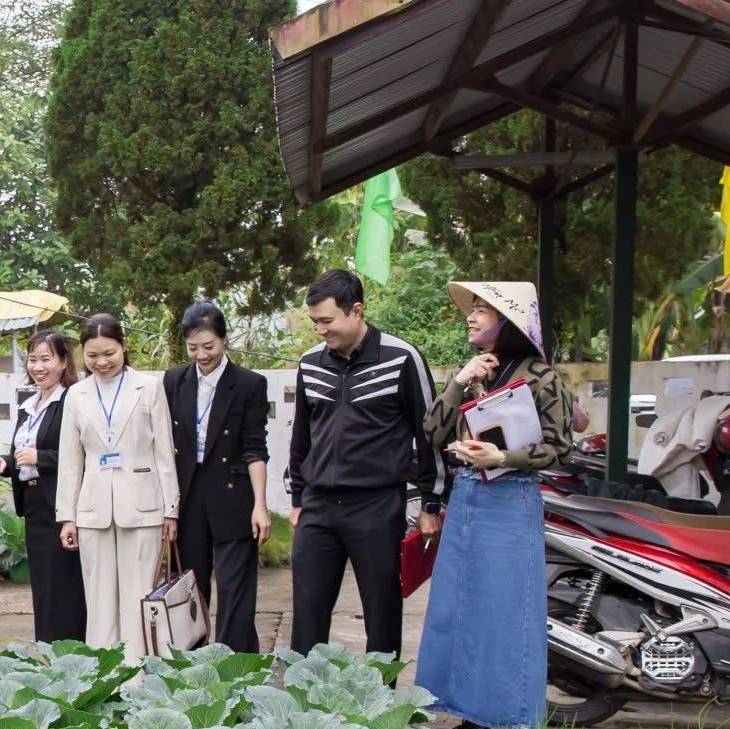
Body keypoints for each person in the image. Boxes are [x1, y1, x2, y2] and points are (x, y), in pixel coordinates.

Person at [418, 280, 573, 729]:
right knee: (462, 609)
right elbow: (432, 430)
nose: (471, 315)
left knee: (508, 612)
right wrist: (459, 382)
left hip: (511, 501)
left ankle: (516, 723)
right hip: (467, 498)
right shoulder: (476, 373)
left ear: (509, 321)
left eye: (483, 309)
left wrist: (502, 458)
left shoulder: (541, 376)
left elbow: (562, 448)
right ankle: (472, 719)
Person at [283, 269, 448, 658]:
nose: (320, 330)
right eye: (314, 322)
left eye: (327, 321)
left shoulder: (402, 357)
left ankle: (382, 710)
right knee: (307, 612)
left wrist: (431, 503)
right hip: (318, 507)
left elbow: (430, 435)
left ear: (356, 311)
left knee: (382, 612)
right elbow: (301, 438)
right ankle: (300, 710)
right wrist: (297, 498)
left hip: (377, 506)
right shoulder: (310, 363)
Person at [55, 314, 178, 657]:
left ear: (123, 346)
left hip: (144, 506)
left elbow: (164, 453)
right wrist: (67, 516)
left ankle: (139, 674)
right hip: (93, 509)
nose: (102, 362)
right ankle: (104, 673)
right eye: (92, 356)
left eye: (109, 352)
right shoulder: (76, 395)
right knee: (98, 595)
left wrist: (171, 510)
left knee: (141, 593)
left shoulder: (150, 387)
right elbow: (70, 460)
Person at [163, 301, 271, 653]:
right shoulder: (173, 380)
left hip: (233, 495)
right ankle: (189, 665)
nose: (201, 355)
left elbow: (255, 448)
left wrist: (261, 506)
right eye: (193, 348)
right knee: (189, 587)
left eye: (209, 346)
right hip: (189, 497)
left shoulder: (249, 384)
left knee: (235, 588)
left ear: (224, 340)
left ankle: (236, 666)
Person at [0, 330, 87, 644]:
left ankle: (71, 650)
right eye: (33, 359)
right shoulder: (28, 405)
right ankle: (47, 650)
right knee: (43, 588)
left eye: (46, 359)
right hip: (34, 507)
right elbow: (23, 452)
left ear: (63, 362)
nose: (38, 366)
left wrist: (40, 457)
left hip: (61, 506)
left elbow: (80, 453)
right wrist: (5, 462)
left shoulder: (72, 400)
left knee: (64, 586)